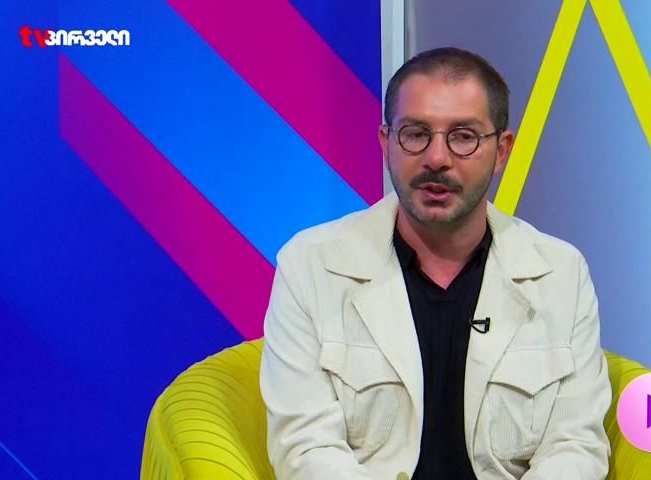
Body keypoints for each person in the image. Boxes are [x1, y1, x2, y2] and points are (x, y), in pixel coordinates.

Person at [260, 47, 611, 480]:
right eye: (415, 134)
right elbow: (306, 446)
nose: (437, 158)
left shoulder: (561, 272)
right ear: (386, 143)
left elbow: (575, 446)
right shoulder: (309, 264)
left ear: (501, 151)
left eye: (463, 136)